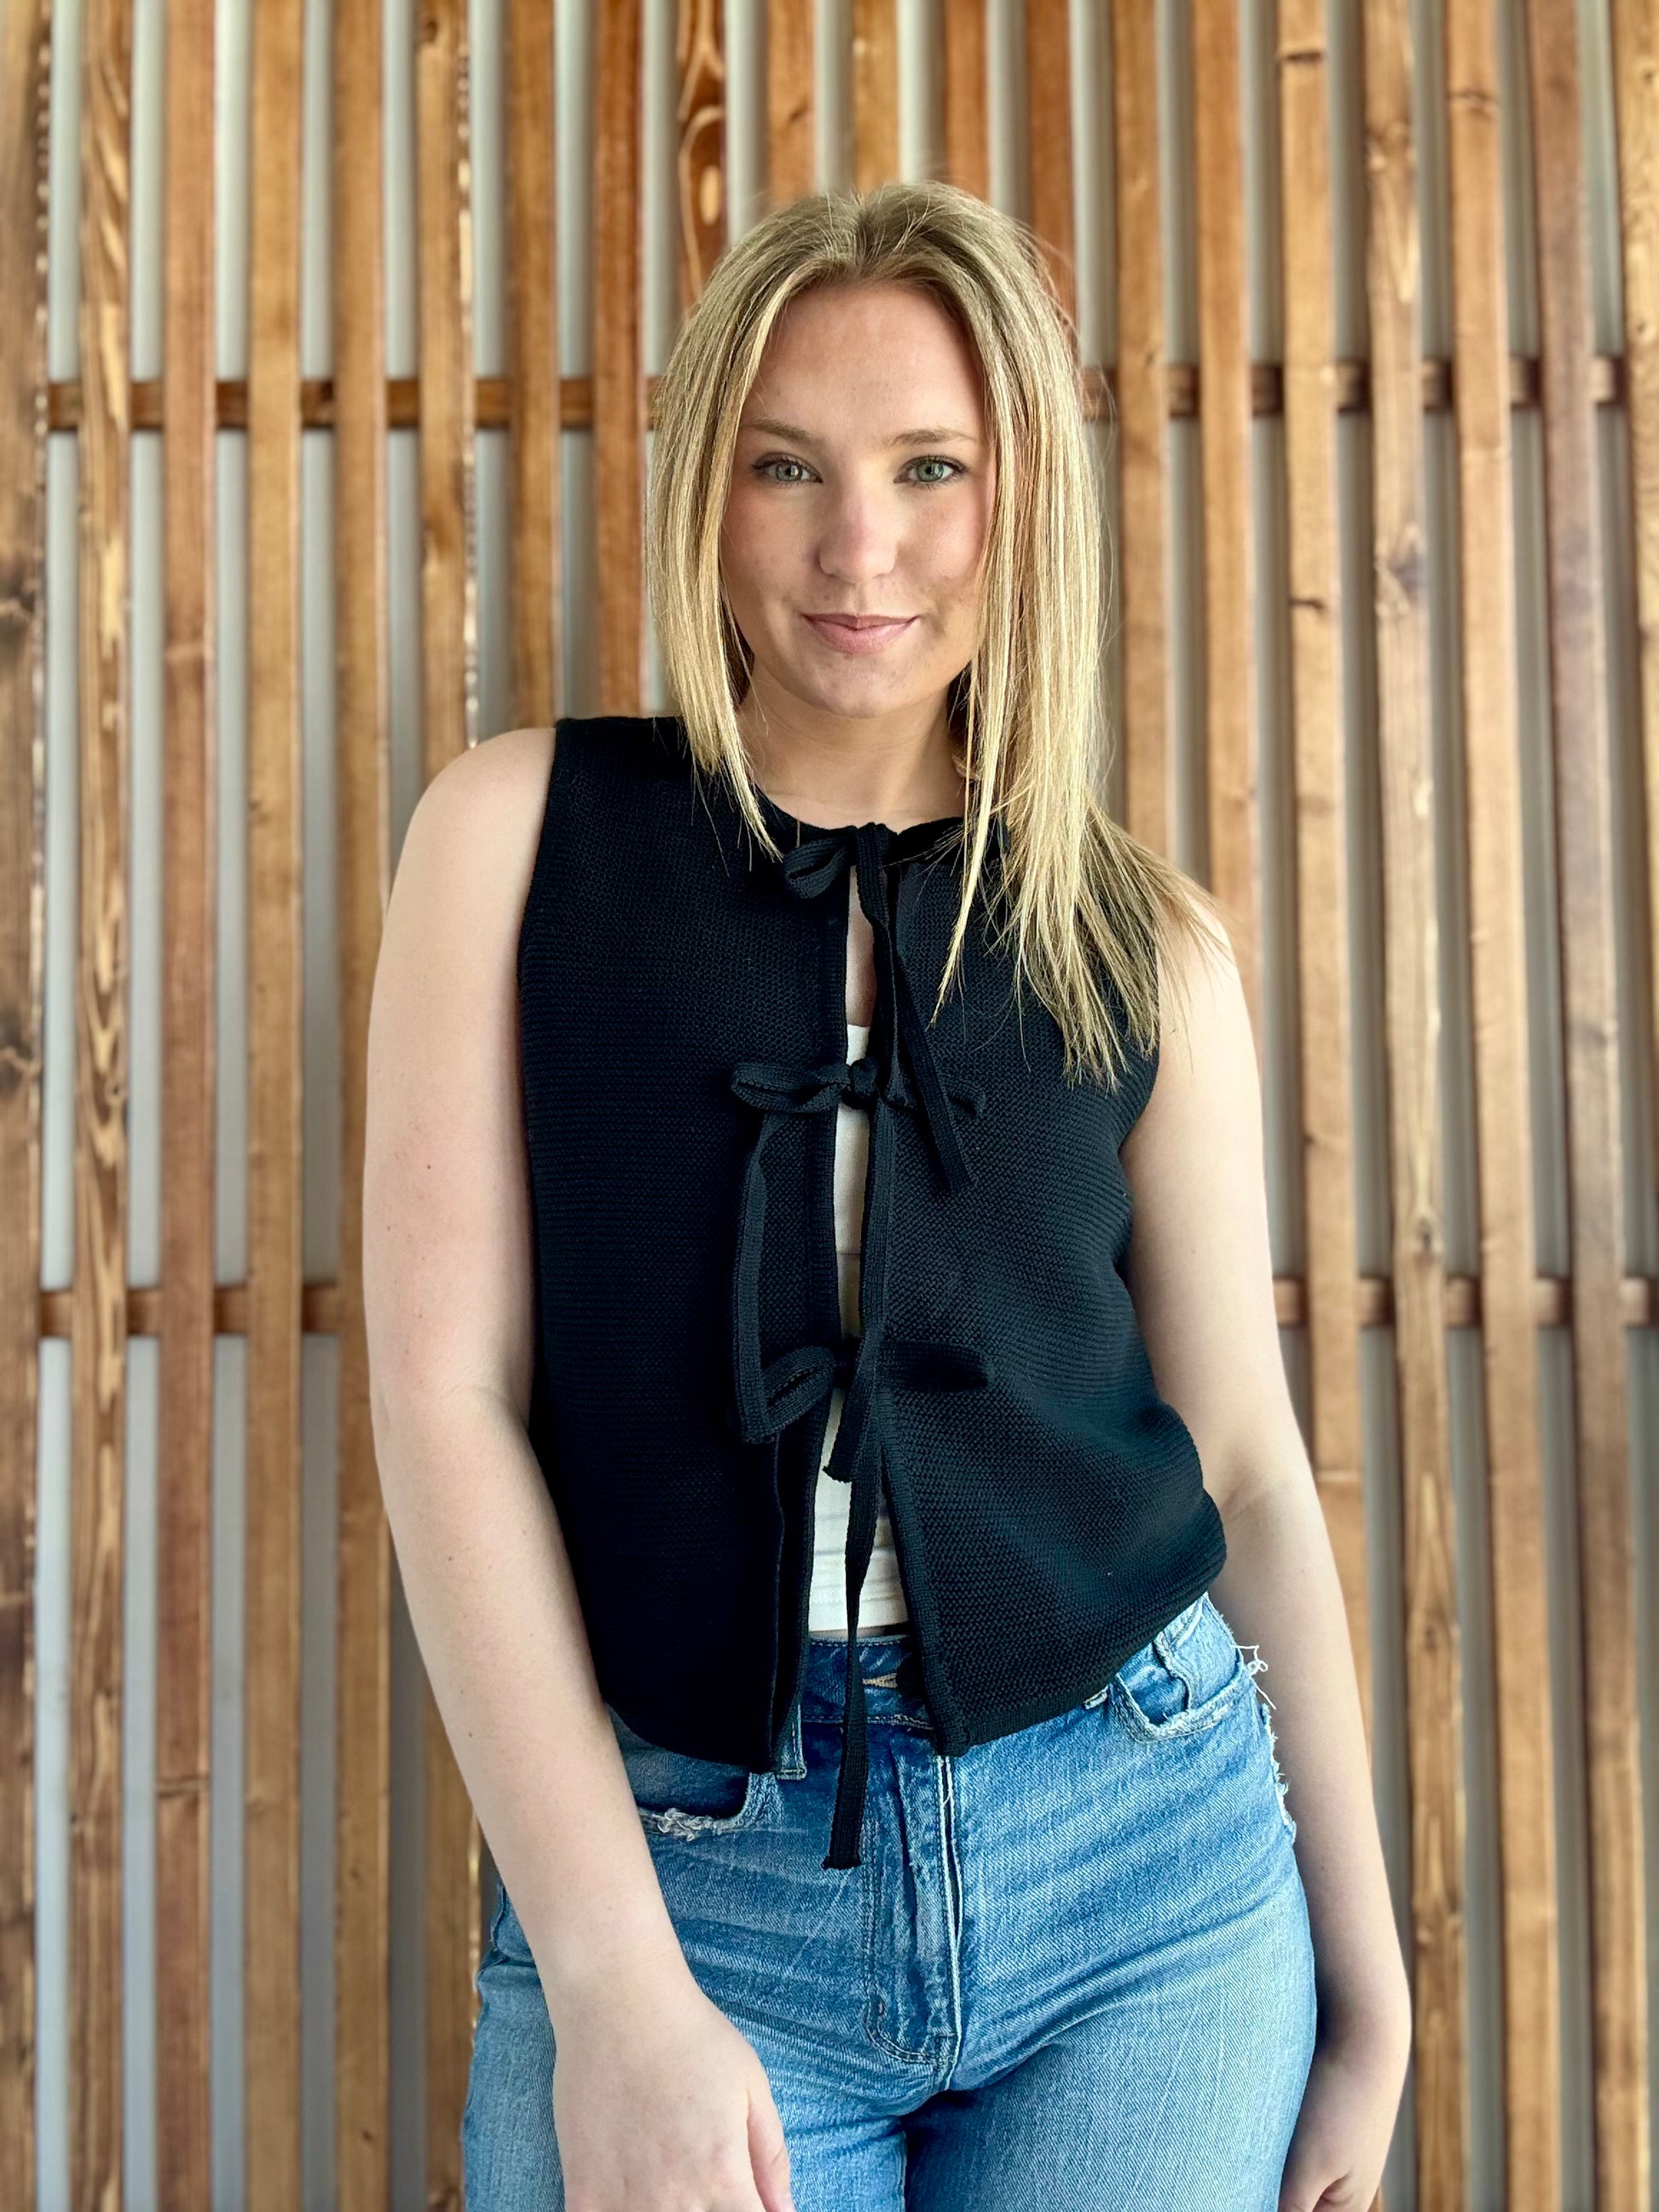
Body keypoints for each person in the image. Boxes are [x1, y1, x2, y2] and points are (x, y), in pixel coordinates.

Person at [364, 181, 1409, 2212]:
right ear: (708, 491)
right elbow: (442, 1397)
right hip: (684, 1878)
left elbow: (1247, 1470)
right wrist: (614, 1984)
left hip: (1151, 1875)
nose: (860, 547)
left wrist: (1367, 1994)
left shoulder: (1142, 942)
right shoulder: (509, 841)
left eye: (931, 467)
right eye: (788, 468)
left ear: (1021, 499)